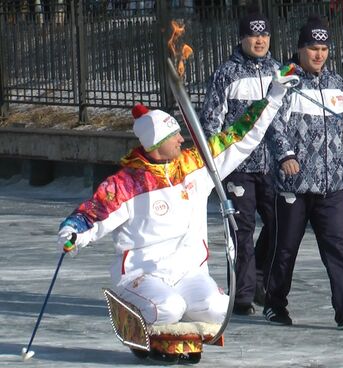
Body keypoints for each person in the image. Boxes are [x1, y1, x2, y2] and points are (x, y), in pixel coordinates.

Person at [56, 69, 297, 332]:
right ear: (156, 143)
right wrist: (73, 232)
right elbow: (92, 214)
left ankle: (174, 317)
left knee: (219, 309)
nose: (182, 138)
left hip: (188, 272)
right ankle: (131, 306)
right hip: (142, 274)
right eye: (174, 136)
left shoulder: (195, 165)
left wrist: (274, 94)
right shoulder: (126, 183)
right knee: (169, 308)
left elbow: (240, 135)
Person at [264, 15, 343, 330]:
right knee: (285, 247)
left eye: (324, 48)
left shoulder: (337, 85)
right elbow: (272, 124)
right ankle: (274, 303)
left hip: (333, 185)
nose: (319, 54)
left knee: (339, 245)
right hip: (294, 185)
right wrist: (285, 155)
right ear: (301, 49)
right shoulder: (285, 81)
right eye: (313, 48)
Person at [200, 5, 280, 316]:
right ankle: (243, 295)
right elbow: (211, 120)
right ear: (242, 37)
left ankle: (258, 277)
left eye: (264, 34)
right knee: (241, 230)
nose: (259, 41)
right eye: (253, 35)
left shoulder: (278, 72)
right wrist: (214, 163)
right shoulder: (227, 73)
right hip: (238, 167)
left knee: (281, 225)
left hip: (273, 165)